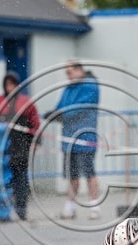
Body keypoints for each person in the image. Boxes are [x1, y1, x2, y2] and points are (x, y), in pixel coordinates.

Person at [0, 71, 40, 221]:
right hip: (2, 148)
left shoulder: (26, 102)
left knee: (21, 178)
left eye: (13, 84)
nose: (10, 87)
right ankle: (1, 209)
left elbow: (35, 124)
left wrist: (36, 141)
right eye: (8, 84)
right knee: (4, 178)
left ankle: (21, 209)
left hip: (21, 146)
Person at [49, 61, 101, 220]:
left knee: (89, 173)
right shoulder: (68, 89)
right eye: (66, 73)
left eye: (70, 72)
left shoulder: (90, 86)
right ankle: (69, 208)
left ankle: (95, 207)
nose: (68, 75)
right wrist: (53, 114)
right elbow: (60, 107)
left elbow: (80, 108)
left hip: (85, 139)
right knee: (72, 176)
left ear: (80, 70)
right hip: (68, 139)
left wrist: (61, 114)